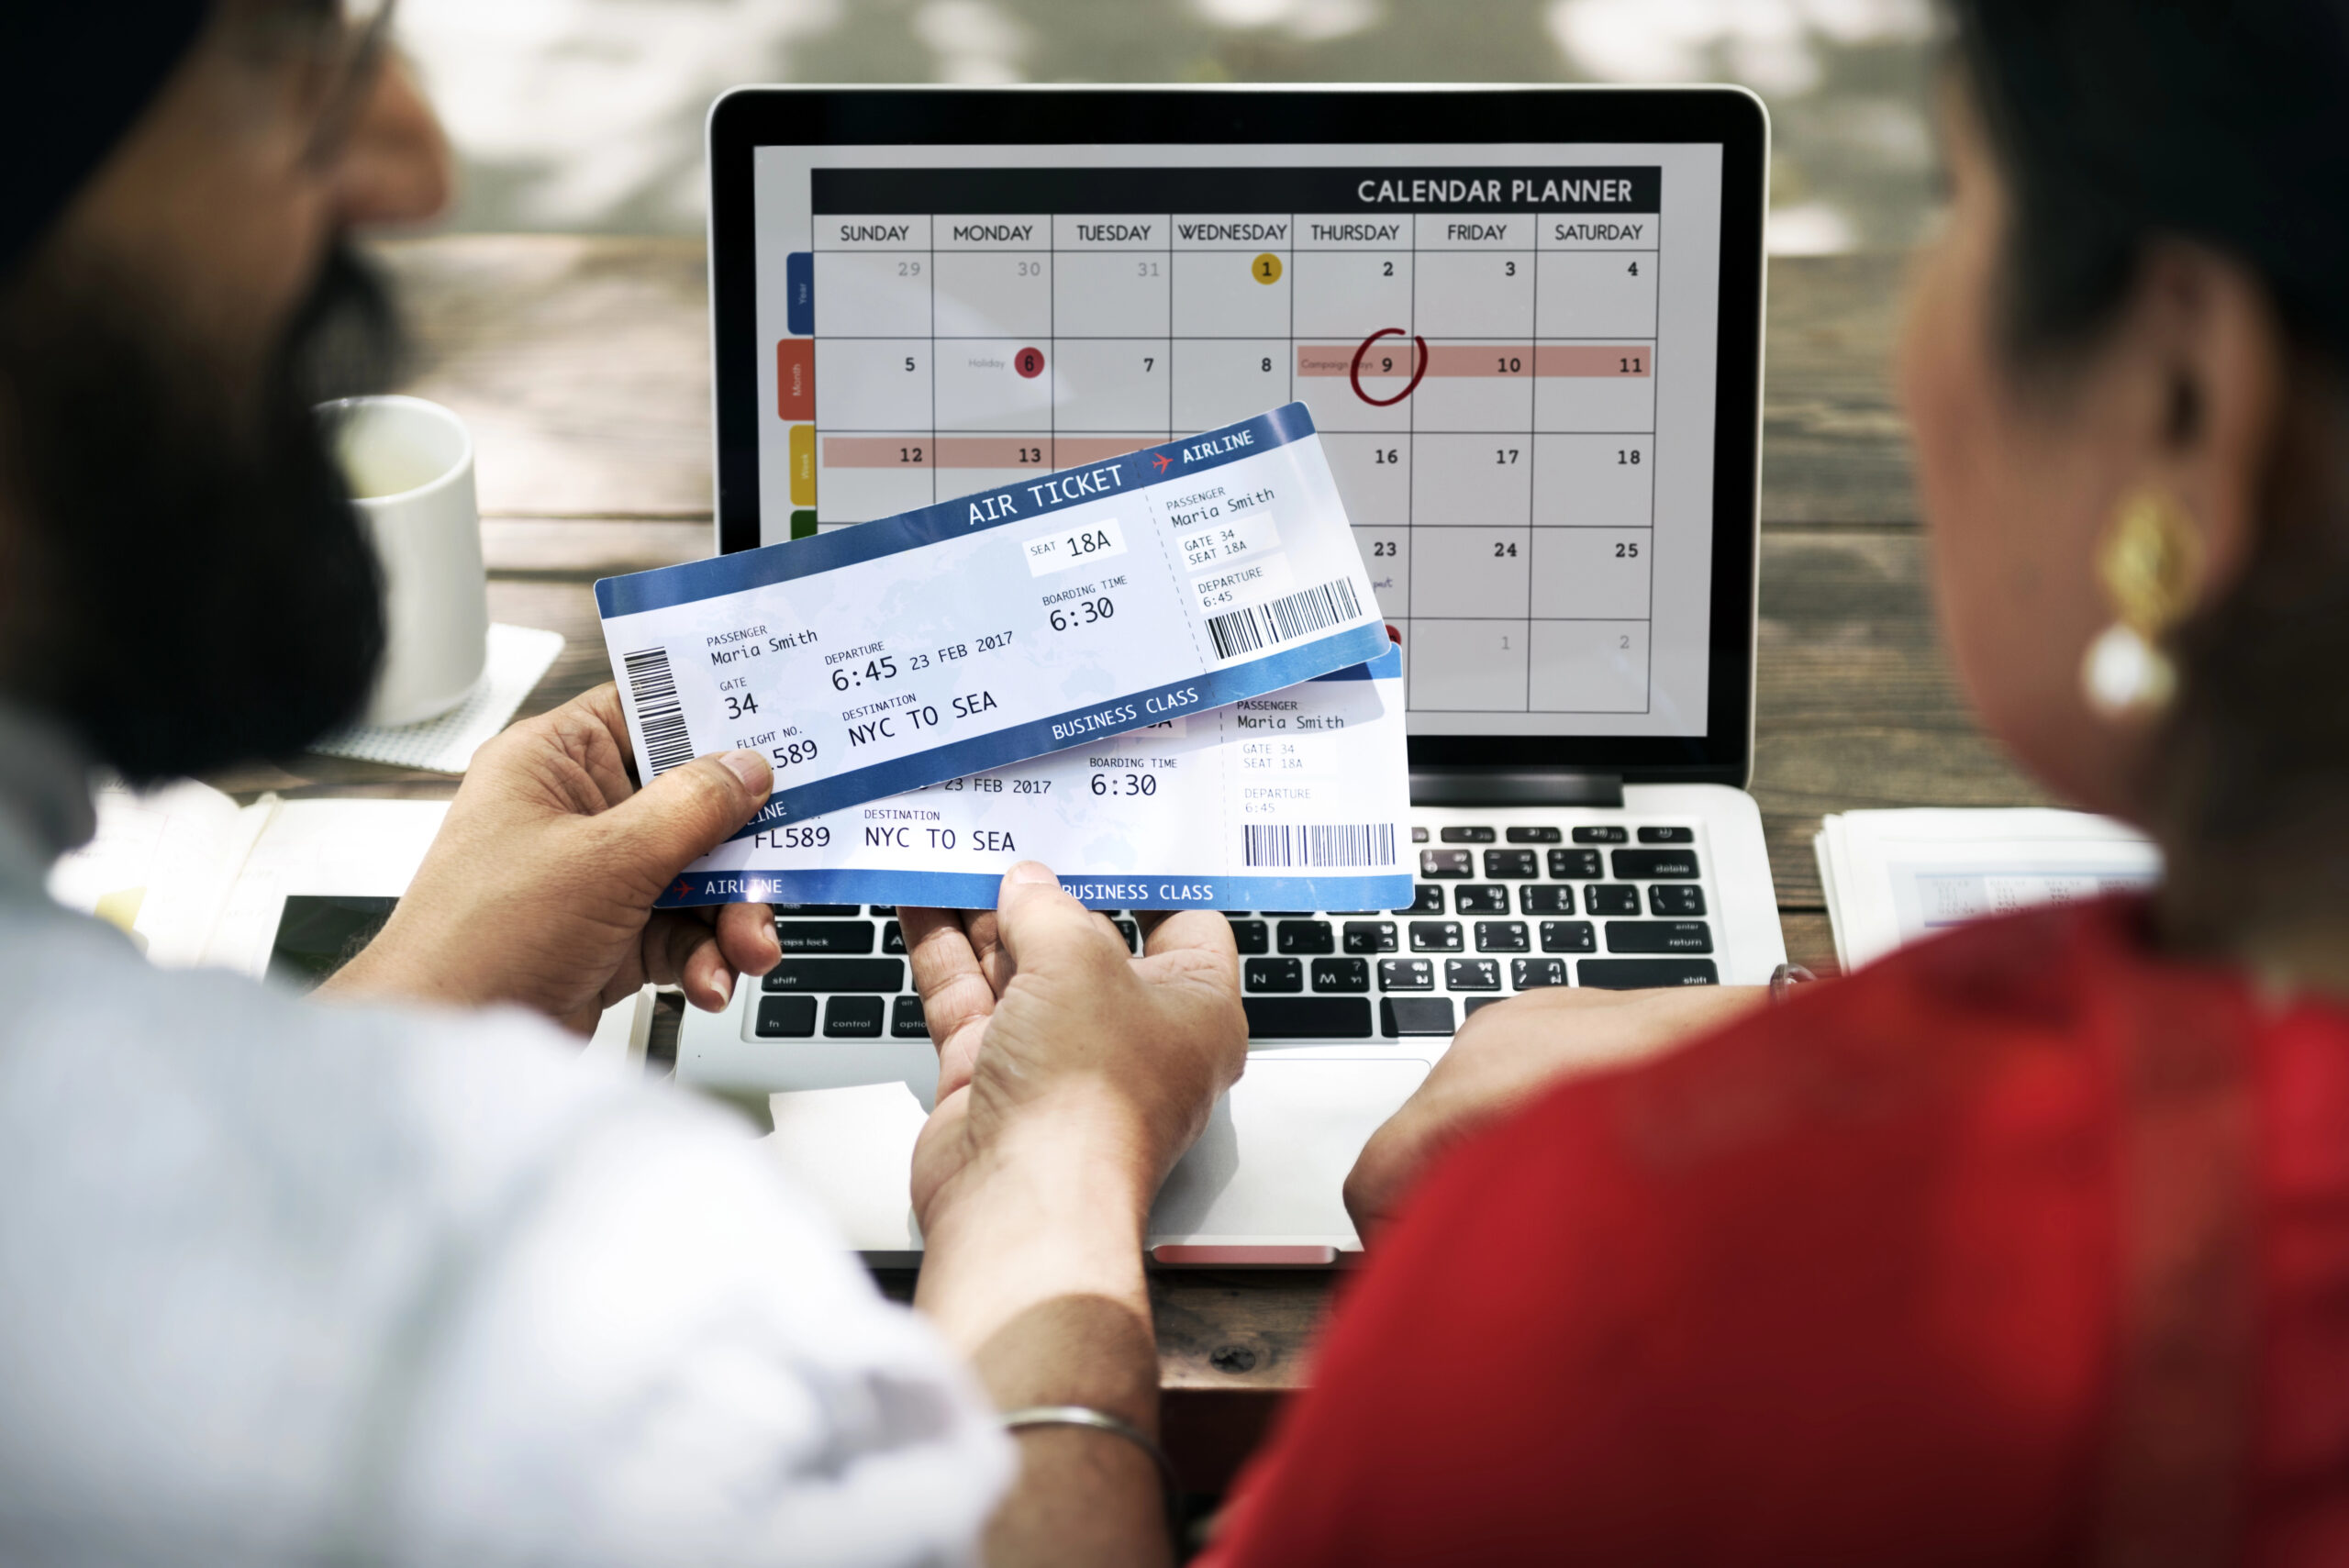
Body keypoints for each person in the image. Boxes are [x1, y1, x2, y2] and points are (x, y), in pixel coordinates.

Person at [0, 5, 1245, 1563]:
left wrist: (425, 992)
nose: (415, 158)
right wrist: (1055, 1168)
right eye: (287, 68)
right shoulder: (572, 1340)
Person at [1179, 0, 2349, 1560]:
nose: (1916, 319)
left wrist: (1045, 1183)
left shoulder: (1614, 1278)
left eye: (1958, 206)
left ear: (2189, 402)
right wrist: (1789, 1022)